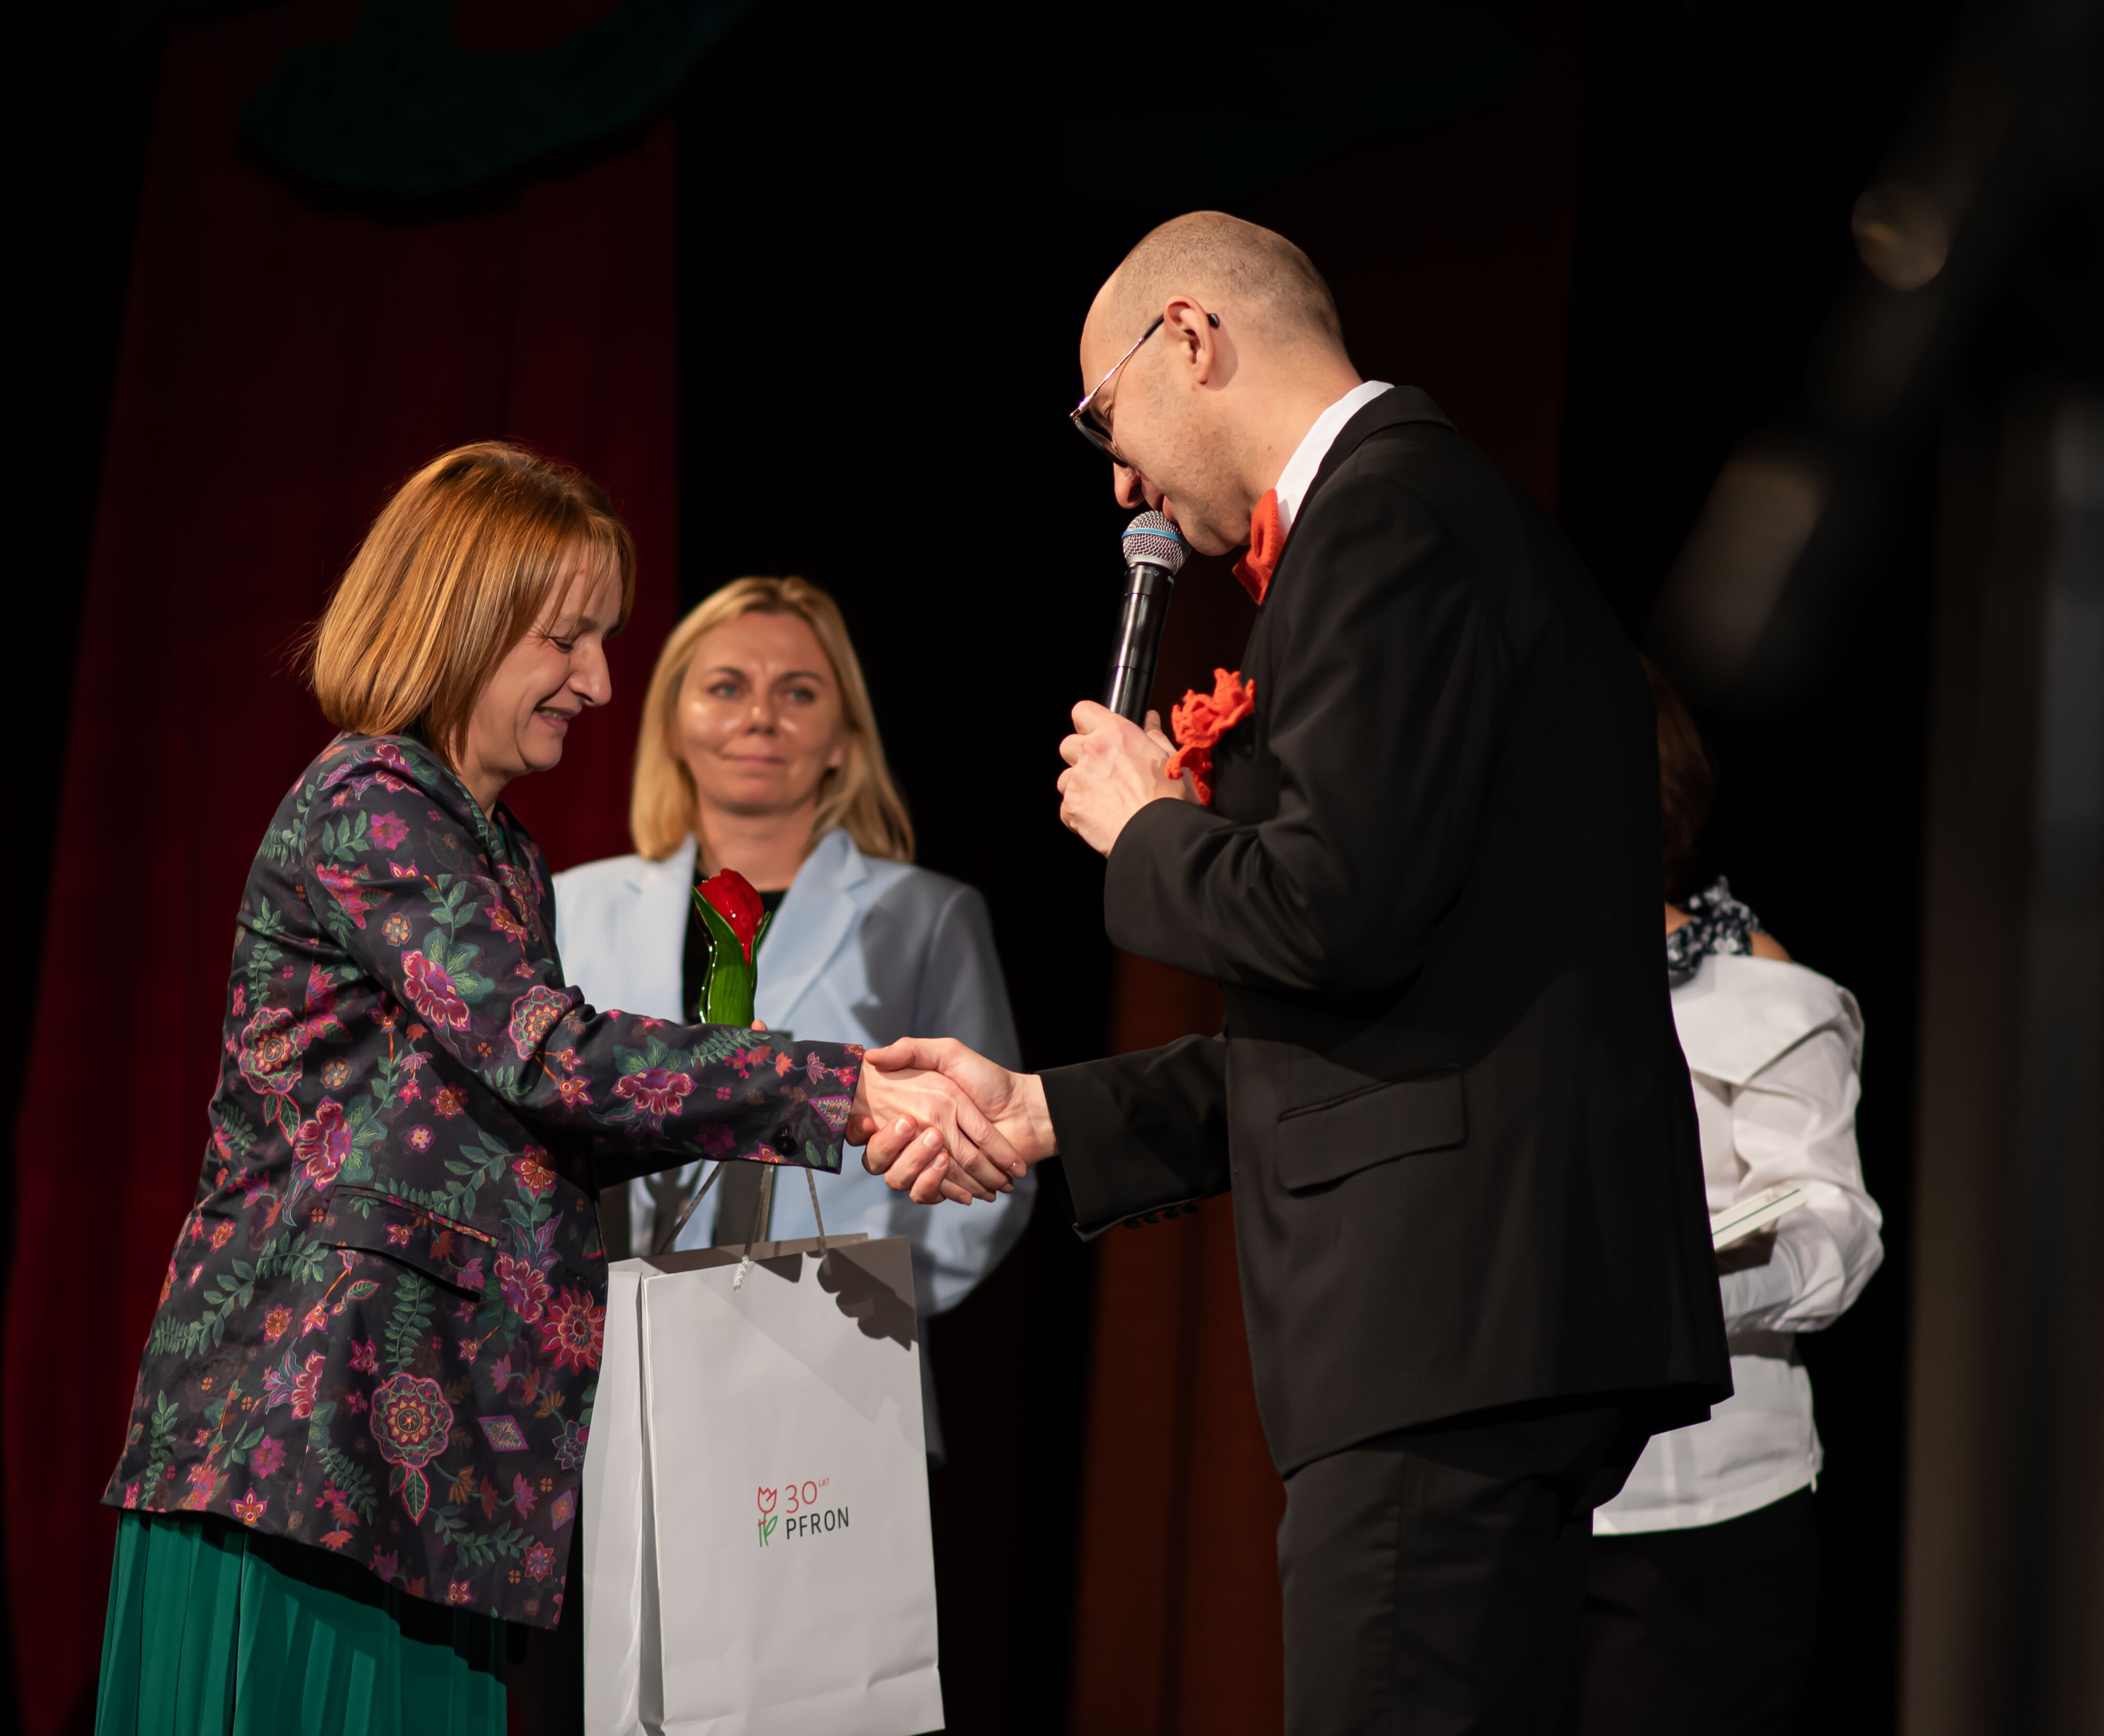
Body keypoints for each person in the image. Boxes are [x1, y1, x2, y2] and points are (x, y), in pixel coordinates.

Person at [854, 212, 1730, 1733]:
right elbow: (1395, 998)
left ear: (1191, 337)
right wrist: (1047, 1113)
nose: (1120, 480)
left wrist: (1146, 828)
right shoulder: (1427, 515)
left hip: (1445, 1318)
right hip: (1488, 1319)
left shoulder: (1388, 518)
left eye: (1105, 417)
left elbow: (1328, 916)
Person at [90, 443, 985, 1735]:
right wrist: (837, 1086)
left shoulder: (492, 843)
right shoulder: (374, 800)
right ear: (460, 623)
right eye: (566, 639)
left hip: (418, 1477)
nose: (600, 681)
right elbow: (547, 1055)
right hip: (309, 1450)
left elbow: (526, 1128)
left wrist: (833, 1109)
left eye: (602, 639)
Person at [553, 575, 1032, 1448]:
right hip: (603, 1383)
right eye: (727, 686)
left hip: (836, 1381)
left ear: (844, 738)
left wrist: (861, 1302)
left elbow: (994, 1164)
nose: (761, 717)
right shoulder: (570, 906)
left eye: (799, 692)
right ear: (673, 724)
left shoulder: (926, 919)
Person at [1569, 666, 1884, 1734]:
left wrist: (1693, 1292)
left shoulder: (1751, 985)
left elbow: (1835, 1227)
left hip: (1702, 1515)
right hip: (1511, 1505)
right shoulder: (1488, 986)